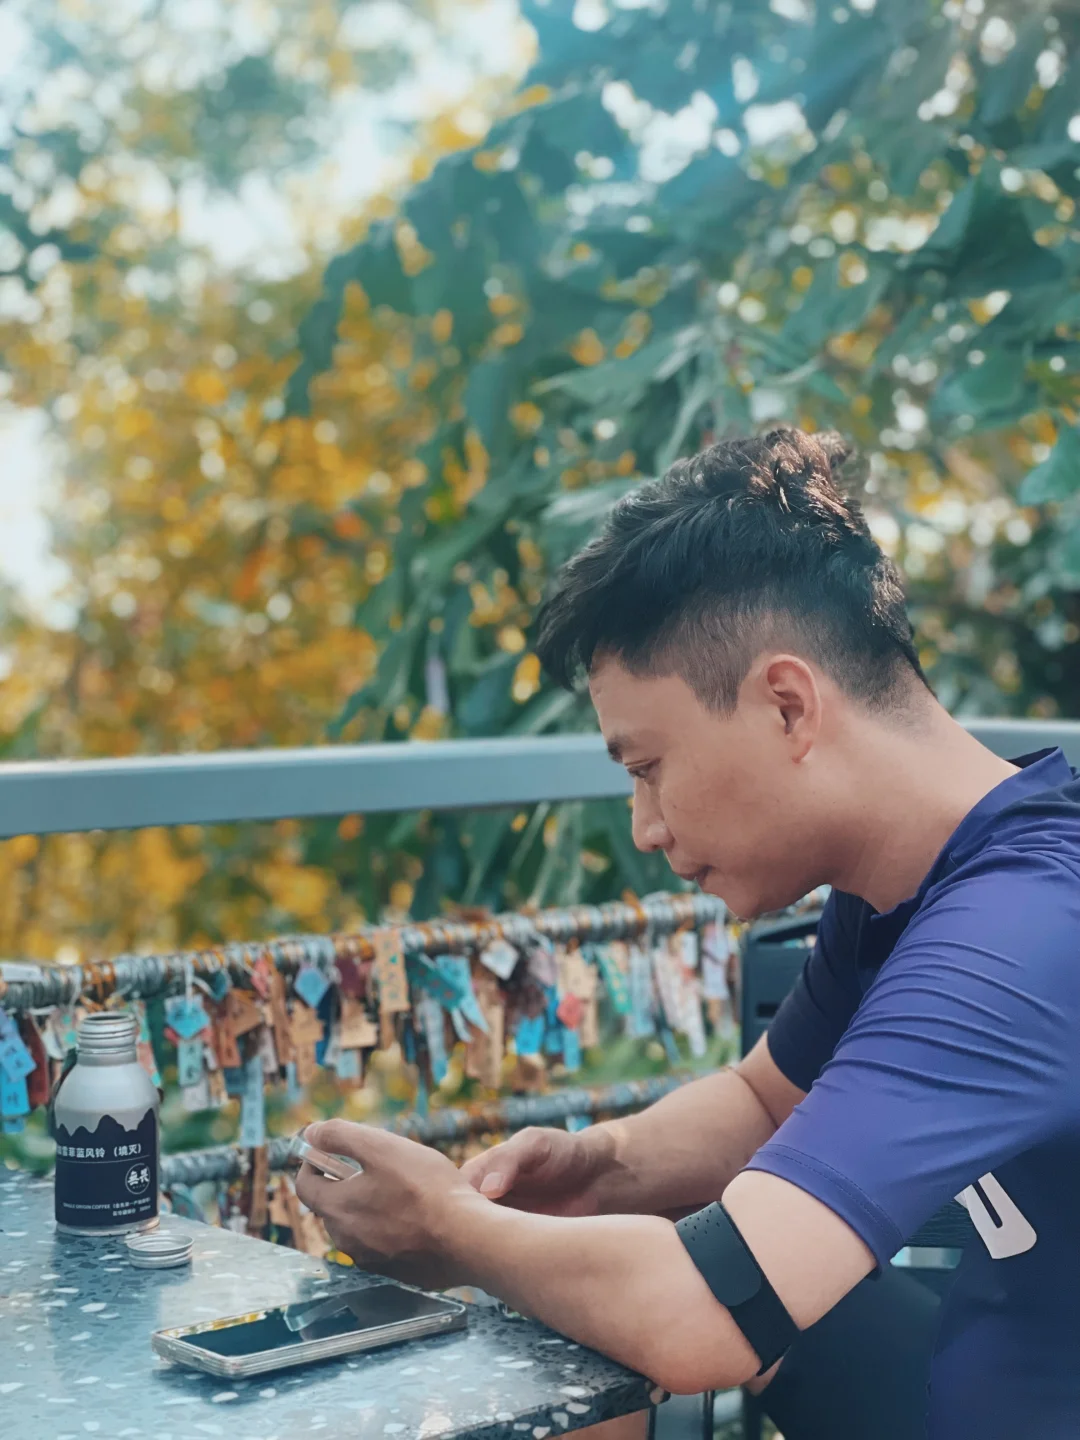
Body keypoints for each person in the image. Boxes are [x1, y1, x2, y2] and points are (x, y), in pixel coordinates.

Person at [297, 427, 1080, 1440]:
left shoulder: (1023, 930)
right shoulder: (911, 876)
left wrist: (448, 1228)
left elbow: (705, 1319)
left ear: (788, 706)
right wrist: (601, 1165)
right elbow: (765, 1101)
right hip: (967, 1382)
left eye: (647, 766)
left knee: (657, 1299)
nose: (646, 826)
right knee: (601, 1279)